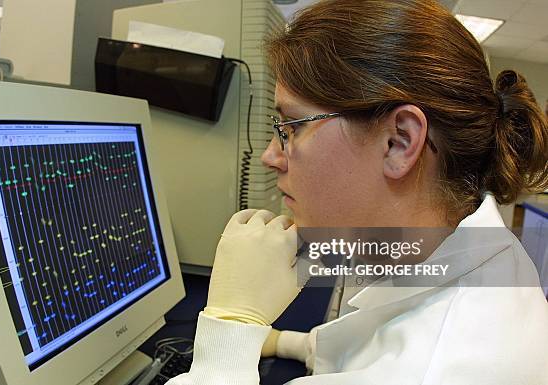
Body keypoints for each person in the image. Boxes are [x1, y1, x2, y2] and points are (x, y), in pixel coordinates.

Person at [166, 0, 548, 384]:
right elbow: (375, 333)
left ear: (399, 141)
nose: (270, 155)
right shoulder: (451, 246)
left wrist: (230, 326)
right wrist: (286, 342)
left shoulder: (430, 371)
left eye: (291, 127)